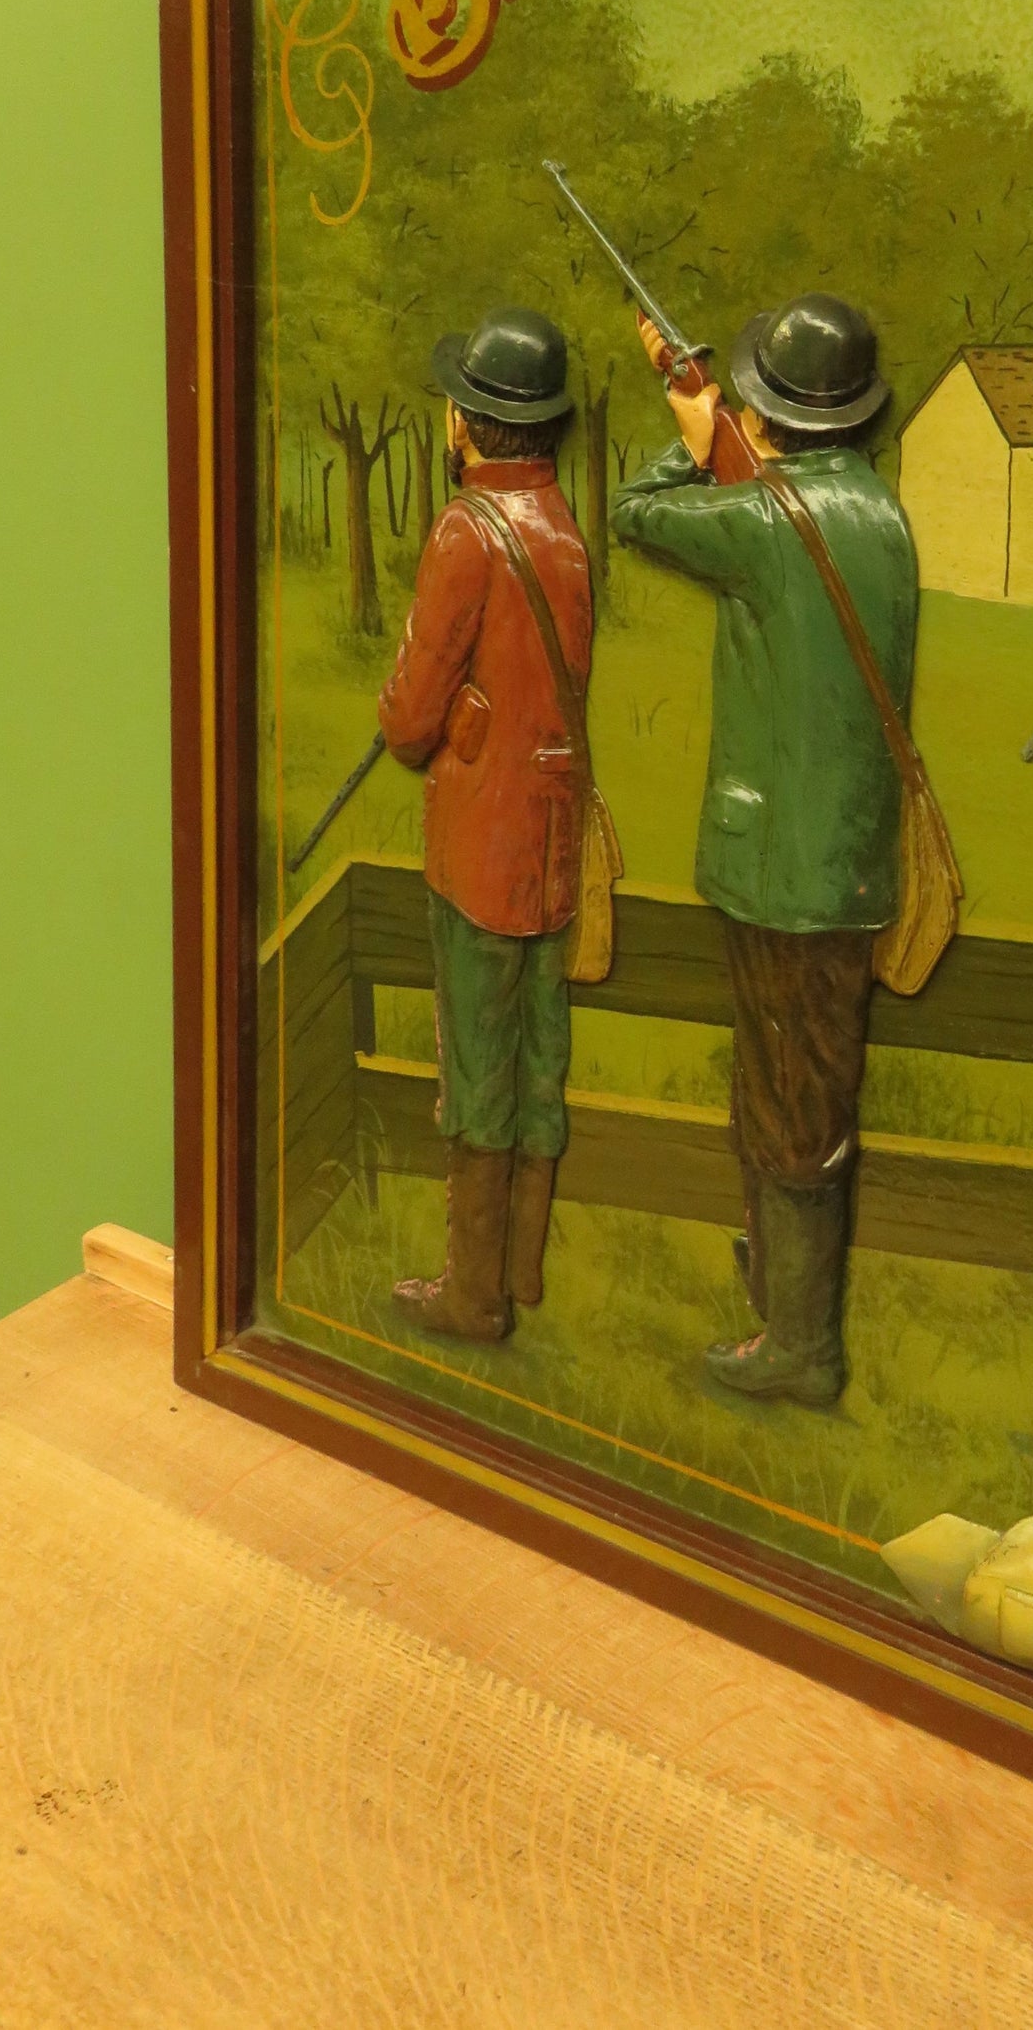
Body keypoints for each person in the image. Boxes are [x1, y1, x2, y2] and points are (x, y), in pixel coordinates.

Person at [612, 293, 916, 1408]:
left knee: (788, 1103)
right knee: (795, 1092)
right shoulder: (878, 513)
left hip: (779, 872)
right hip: (842, 864)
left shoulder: (770, 517)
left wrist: (695, 439)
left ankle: (799, 1345)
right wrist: (727, 436)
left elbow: (635, 511)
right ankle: (782, 1299)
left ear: (770, 411)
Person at [377, 306, 593, 1343]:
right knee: (538, 1056)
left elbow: (409, 717)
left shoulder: (467, 530)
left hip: (478, 846)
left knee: (475, 1063)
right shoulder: (562, 524)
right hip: (551, 845)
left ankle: (472, 1295)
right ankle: (522, 1268)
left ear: (467, 422)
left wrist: (426, 715)